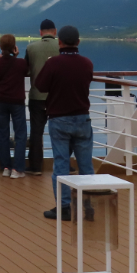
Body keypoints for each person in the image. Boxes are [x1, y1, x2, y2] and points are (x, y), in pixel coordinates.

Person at [35, 25, 94, 221]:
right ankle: (90, 205)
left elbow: (40, 85)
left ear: (59, 42)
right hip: (82, 119)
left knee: (61, 165)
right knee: (86, 166)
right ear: (78, 42)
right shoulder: (87, 63)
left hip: (59, 120)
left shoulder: (54, 64)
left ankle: (65, 208)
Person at [0, 34, 29, 179]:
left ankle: (5, 167)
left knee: (3, 134)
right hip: (17, 101)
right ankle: (18, 169)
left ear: (0, 47)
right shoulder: (21, 63)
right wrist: (17, 55)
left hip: (0, 100)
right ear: (14, 47)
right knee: (20, 134)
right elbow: (24, 70)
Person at [25, 20, 60, 175]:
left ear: (40, 32)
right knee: (62, 131)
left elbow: (26, 70)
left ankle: (36, 167)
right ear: (55, 31)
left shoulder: (31, 48)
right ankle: (65, 164)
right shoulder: (61, 46)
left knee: (36, 132)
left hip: (37, 96)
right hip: (58, 97)